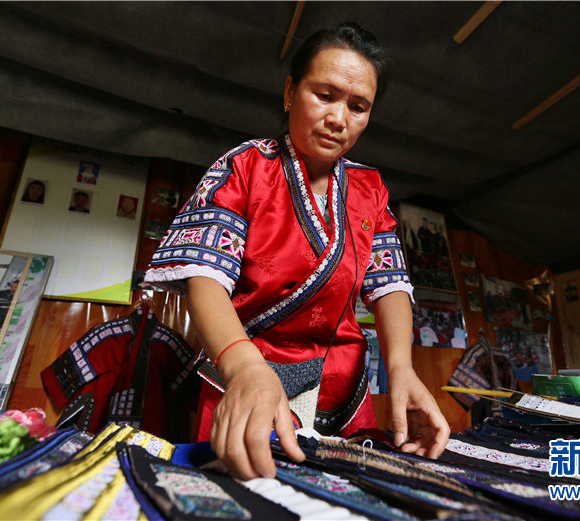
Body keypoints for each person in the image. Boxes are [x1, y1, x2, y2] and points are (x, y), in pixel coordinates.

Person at [145, 22, 449, 480]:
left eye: (358, 106)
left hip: (342, 389)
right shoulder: (245, 167)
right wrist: (243, 365)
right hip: (244, 371)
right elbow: (203, 274)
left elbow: (388, 282)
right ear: (290, 92)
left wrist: (402, 368)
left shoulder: (370, 189)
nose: (339, 118)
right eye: (324, 95)